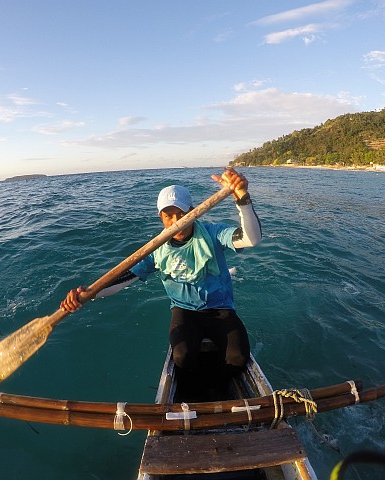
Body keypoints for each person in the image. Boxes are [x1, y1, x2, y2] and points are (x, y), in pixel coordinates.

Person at [60, 167, 262, 400]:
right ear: (161, 217)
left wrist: (242, 199)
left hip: (220, 308)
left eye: (181, 214)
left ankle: (218, 386)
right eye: (168, 215)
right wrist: (89, 293)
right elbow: (127, 278)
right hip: (185, 310)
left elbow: (251, 239)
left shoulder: (213, 234)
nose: (175, 222)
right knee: (182, 357)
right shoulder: (156, 250)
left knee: (238, 357)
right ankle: (193, 391)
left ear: (194, 212)